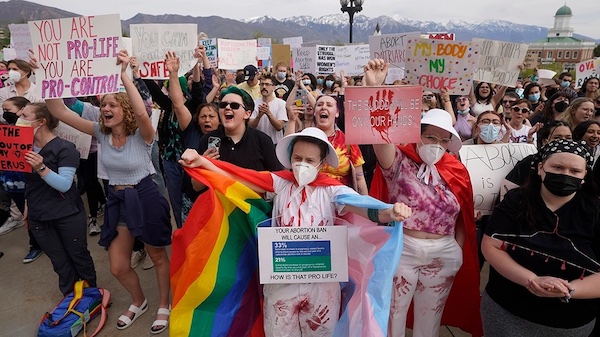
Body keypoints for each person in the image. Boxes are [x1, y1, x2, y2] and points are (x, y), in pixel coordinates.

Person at [179, 127, 413, 337]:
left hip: (323, 284)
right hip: (281, 280)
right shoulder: (279, 183)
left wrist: (390, 211)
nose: (302, 164)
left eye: (310, 160)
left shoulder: (333, 191)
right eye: (297, 158)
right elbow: (235, 176)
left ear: (322, 164)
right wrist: (201, 162)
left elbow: (366, 208)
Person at [45, 50, 172, 333]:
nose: (105, 108)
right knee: (117, 266)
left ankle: (164, 302)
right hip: (118, 200)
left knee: (157, 255)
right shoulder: (99, 132)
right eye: (103, 104)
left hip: (145, 196)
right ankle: (139, 302)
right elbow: (59, 111)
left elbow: (141, 111)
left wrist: (123, 75)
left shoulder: (143, 134)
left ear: (124, 109)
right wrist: (46, 74)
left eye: (112, 104)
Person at [364, 58, 482, 337]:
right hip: (403, 248)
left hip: (443, 253)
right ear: (417, 136)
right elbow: (380, 135)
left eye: (443, 140)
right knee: (393, 313)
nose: (437, 145)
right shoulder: (399, 162)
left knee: (430, 318)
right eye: (430, 137)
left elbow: (462, 216)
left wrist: (457, 250)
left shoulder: (457, 170)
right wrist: (375, 89)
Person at [481, 139, 600, 337]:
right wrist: (532, 280)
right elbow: (491, 245)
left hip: (570, 322)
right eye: (558, 167)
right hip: (507, 310)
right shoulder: (515, 200)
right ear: (540, 167)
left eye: (574, 171)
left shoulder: (595, 212)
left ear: (584, 175)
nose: (565, 175)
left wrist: (569, 290)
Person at [20, 103, 97, 295]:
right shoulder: (24, 147)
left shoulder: (65, 148)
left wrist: (41, 168)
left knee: (78, 256)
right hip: (39, 216)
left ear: (41, 122)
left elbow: (64, 184)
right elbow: (29, 182)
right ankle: (69, 302)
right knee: (59, 262)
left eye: (24, 116)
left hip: (66, 214)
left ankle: (90, 297)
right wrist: (29, 204)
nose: (19, 120)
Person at [313, 94, 369, 194]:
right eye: (319, 104)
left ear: (337, 113)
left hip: (340, 202)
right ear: (314, 112)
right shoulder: (304, 138)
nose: (324, 107)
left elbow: (359, 178)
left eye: (329, 105)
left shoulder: (348, 142)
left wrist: (365, 205)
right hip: (309, 201)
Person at [249, 74, 288, 144]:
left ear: (274, 87)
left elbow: (279, 126)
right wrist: (258, 116)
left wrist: (268, 113)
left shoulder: (281, 104)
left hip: (275, 144)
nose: (264, 87)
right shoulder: (253, 103)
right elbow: (250, 126)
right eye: (262, 84)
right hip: (257, 144)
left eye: (267, 84)